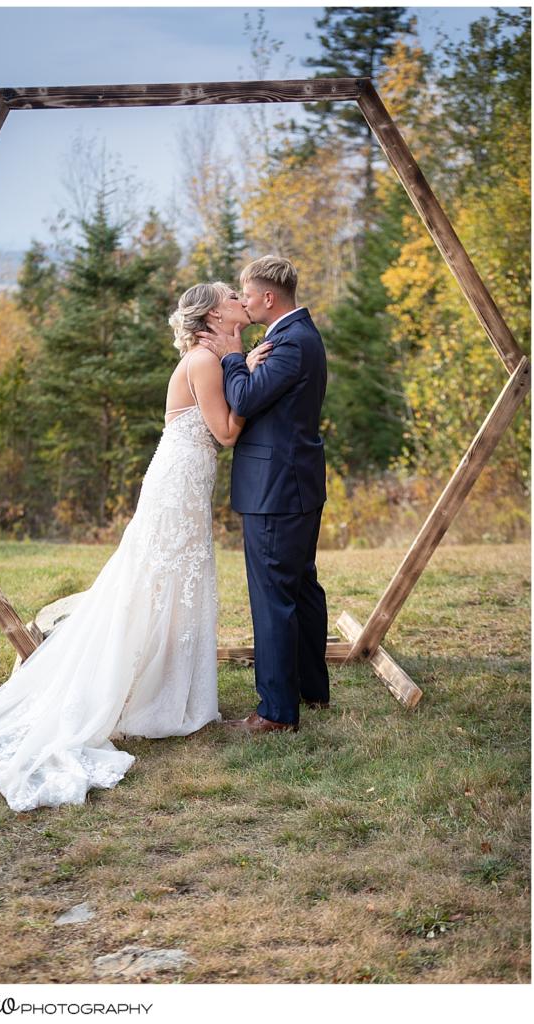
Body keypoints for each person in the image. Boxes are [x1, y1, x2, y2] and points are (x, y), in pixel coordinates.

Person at [0, 282, 270, 812]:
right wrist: (248, 372)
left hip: (188, 482)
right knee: (159, 584)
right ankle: (157, 701)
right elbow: (225, 432)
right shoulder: (206, 359)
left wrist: (242, 363)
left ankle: (174, 700)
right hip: (177, 485)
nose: (237, 301)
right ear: (210, 314)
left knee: (179, 585)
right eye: (230, 296)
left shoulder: (217, 355)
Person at [198, 255, 329, 734]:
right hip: (294, 484)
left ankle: (275, 712)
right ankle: (312, 690)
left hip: (276, 490)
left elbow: (247, 399)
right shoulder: (294, 336)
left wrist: (232, 355)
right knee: (301, 587)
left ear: (268, 298)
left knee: (275, 596)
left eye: (246, 293)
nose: (243, 299)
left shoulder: (291, 343)